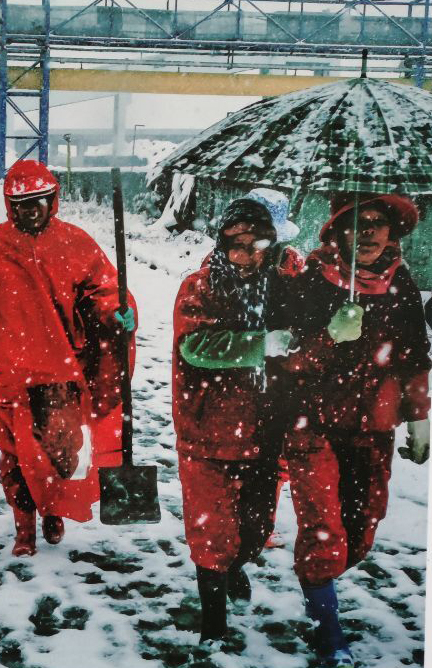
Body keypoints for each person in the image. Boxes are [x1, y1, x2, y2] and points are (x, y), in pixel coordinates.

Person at [0, 159, 136, 557]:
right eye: (22, 204)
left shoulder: (75, 243)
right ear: (10, 206)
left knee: (60, 450)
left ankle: (52, 508)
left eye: (38, 202)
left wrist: (117, 310)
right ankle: (23, 523)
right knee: (15, 454)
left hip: (60, 372)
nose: (31, 211)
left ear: (52, 200)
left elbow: (102, 290)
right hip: (8, 372)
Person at [280, 194, 430, 667]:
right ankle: (328, 632)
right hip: (313, 424)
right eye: (358, 222)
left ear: (392, 232)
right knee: (324, 531)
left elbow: (413, 354)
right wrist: (328, 338)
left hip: (373, 426)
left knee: (361, 531)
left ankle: (319, 583)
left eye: (378, 223)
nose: (368, 232)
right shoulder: (311, 280)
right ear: (337, 232)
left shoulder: (400, 282)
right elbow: (285, 358)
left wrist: (420, 417)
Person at [172, 190, 304, 643]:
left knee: (256, 527)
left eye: (257, 244)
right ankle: (213, 622)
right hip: (209, 430)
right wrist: (259, 345)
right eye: (236, 245)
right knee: (211, 530)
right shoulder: (201, 286)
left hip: (267, 430)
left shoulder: (286, 282)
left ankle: (235, 566)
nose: (247, 256)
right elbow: (195, 347)